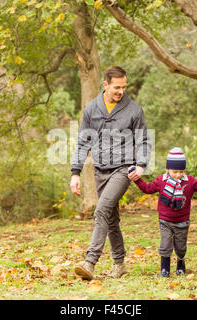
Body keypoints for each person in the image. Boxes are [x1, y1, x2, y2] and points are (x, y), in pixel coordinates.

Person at [70, 66, 151, 280]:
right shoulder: (91, 109)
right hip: (100, 171)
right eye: (116, 87)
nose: (120, 91)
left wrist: (141, 164)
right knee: (111, 218)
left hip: (123, 169)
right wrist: (75, 172)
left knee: (101, 210)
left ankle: (90, 262)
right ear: (105, 85)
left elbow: (143, 140)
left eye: (124, 87)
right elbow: (82, 142)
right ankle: (119, 263)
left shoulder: (134, 110)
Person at [131, 147, 197, 277]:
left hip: (182, 222)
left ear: (184, 170)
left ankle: (180, 263)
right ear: (168, 170)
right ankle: (165, 269)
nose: (178, 174)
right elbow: (147, 188)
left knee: (180, 247)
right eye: (174, 171)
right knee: (165, 245)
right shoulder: (161, 181)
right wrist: (136, 179)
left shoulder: (189, 181)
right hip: (165, 221)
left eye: (181, 171)